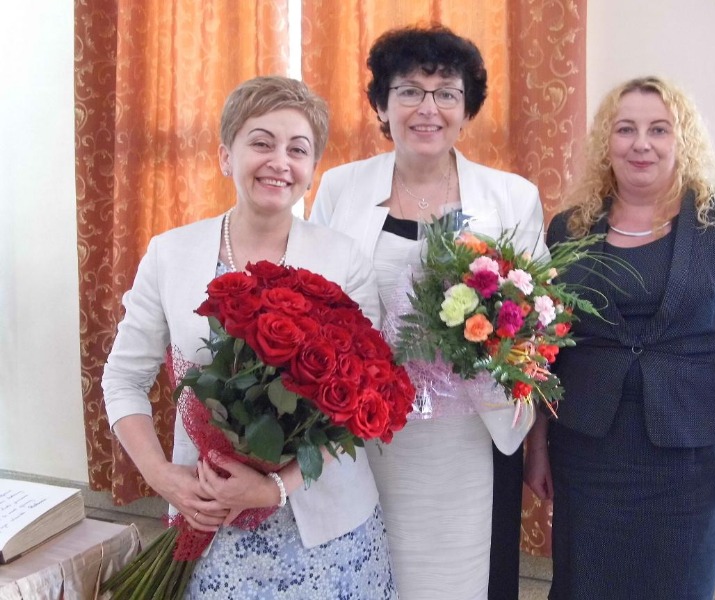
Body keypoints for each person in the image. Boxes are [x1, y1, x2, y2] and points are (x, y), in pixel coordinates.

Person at [102, 76, 397, 599]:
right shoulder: (170, 253)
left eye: (297, 149)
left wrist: (275, 486)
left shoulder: (343, 258)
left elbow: (360, 400)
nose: (279, 161)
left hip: (329, 531)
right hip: (208, 516)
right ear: (225, 156)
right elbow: (123, 378)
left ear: (312, 170)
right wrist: (162, 476)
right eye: (262, 143)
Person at [524, 75, 715, 599]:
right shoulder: (567, 229)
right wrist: (536, 445)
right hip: (588, 453)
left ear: (681, 139)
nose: (641, 143)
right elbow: (546, 351)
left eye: (659, 129)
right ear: (607, 142)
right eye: (625, 129)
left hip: (691, 461)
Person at [309, 25, 547, 600]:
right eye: (410, 91)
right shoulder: (341, 188)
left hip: (469, 435)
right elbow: (315, 299)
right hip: (364, 430)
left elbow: (536, 321)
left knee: (460, 578)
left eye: (446, 93)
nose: (428, 108)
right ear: (381, 105)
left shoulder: (510, 197)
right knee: (366, 573)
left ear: (466, 110)